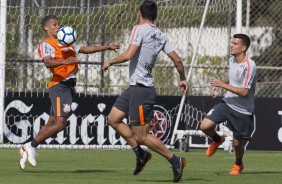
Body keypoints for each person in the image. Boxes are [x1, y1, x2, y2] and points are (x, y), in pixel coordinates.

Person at [18, 15, 120, 170]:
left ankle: (27, 147)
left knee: (53, 123)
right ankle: (31, 145)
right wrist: (63, 62)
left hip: (69, 87)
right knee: (60, 123)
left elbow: (85, 49)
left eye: (58, 24)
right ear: (46, 28)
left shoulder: (66, 41)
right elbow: (47, 62)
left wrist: (107, 47)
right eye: (54, 24)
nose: (58, 26)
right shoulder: (46, 44)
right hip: (59, 85)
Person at [102, 1, 188, 182]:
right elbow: (178, 61)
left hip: (141, 90)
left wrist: (110, 61)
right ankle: (140, 154)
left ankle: (175, 160)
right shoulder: (160, 35)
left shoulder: (139, 29)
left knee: (141, 136)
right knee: (113, 119)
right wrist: (182, 78)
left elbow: (129, 54)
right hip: (135, 88)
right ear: (155, 15)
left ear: (138, 13)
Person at [200, 34, 256, 175]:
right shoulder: (231, 60)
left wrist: (222, 84)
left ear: (243, 47)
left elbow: (244, 92)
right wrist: (221, 83)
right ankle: (218, 140)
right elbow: (232, 78)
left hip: (243, 110)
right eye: (231, 42)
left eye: (235, 43)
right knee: (205, 126)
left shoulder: (250, 65)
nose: (231, 45)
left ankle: (238, 163)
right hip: (227, 103)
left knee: (237, 144)